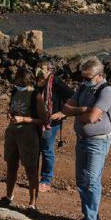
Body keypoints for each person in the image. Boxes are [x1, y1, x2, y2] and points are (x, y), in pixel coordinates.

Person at [61, 56, 111, 220]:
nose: (84, 81)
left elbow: (92, 119)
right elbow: (65, 109)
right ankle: (88, 217)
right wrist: (84, 110)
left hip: (98, 141)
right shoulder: (83, 87)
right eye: (83, 78)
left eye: (88, 78)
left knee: (92, 181)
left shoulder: (107, 92)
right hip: (82, 140)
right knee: (82, 181)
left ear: (99, 76)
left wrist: (78, 113)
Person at [0, 66, 49, 212]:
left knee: (31, 170)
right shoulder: (15, 91)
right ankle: (9, 197)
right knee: (11, 166)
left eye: (22, 83)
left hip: (29, 136)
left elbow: (44, 120)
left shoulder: (36, 96)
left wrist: (24, 119)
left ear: (29, 82)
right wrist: (11, 113)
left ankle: (32, 204)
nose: (19, 85)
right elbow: (14, 107)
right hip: (13, 133)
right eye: (18, 82)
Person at [34, 61, 75, 192]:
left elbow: (73, 96)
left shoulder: (56, 82)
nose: (39, 70)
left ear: (50, 70)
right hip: (36, 121)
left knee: (46, 150)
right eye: (38, 67)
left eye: (42, 68)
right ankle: (34, 177)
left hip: (50, 123)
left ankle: (46, 180)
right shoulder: (36, 81)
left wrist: (62, 113)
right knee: (35, 149)